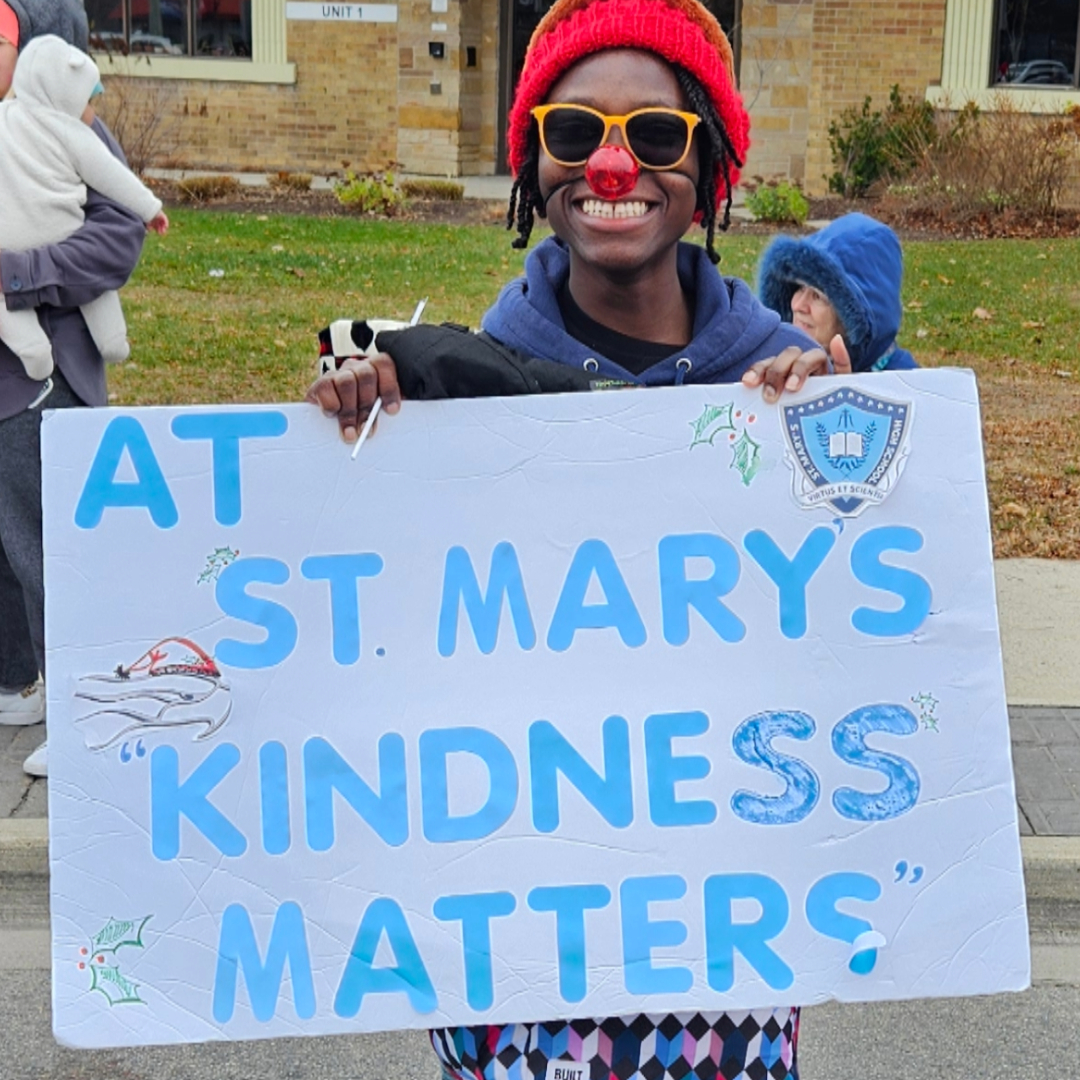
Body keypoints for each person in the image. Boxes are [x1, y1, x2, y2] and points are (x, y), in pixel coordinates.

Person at [309, 2, 827, 1076]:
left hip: (719, 958)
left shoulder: (785, 387)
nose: (612, 163)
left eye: (656, 134)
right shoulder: (451, 390)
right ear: (533, 165)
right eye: (575, 130)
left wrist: (840, 441)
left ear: (711, 165)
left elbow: (879, 623)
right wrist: (352, 435)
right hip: (519, 965)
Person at [0, 0, 148, 778]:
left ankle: (83, 706)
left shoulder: (63, 126)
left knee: (46, 549)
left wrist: (19, 276)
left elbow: (121, 234)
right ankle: (17, 682)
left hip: (37, 381)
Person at [0, 34, 168, 380]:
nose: (91, 113)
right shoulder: (67, 130)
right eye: (88, 103)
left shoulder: (72, 131)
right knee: (89, 290)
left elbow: (113, 198)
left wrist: (17, 271)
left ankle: (70, 345)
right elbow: (114, 178)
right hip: (55, 235)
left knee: (90, 283)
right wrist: (150, 208)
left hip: (38, 251)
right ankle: (104, 340)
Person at [756, 212, 917, 374]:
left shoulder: (906, 390)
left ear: (853, 319)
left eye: (817, 296)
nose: (797, 305)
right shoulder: (775, 365)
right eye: (800, 288)